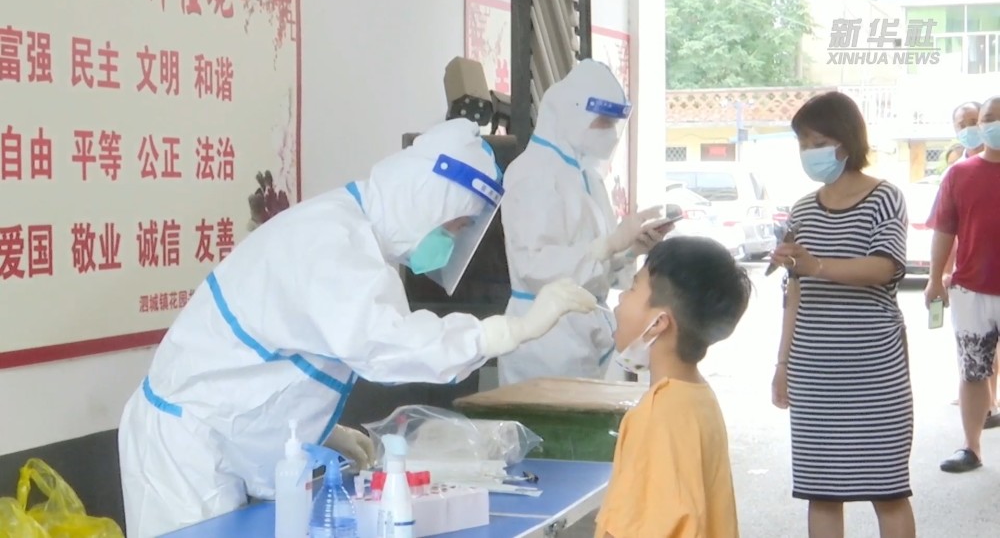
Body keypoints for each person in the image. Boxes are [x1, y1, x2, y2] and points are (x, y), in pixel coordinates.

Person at [117, 119, 599, 537]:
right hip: (187, 451)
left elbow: (284, 354)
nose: (450, 244)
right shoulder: (332, 243)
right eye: (453, 227)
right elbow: (391, 347)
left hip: (226, 441)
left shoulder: (355, 239)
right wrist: (509, 331)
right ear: (426, 198)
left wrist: (322, 432)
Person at [771, 92, 915, 538]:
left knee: (888, 492)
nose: (809, 152)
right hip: (814, 372)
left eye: (818, 142)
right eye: (802, 143)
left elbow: (884, 266)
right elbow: (794, 293)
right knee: (822, 493)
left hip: (875, 370)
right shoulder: (802, 209)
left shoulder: (885, 197)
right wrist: (782, 365)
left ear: (847, 141)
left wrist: (816, 265)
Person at [499, 59, 668, 386]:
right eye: (602, 122)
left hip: (585, 330)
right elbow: (534, 266)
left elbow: (594, 262)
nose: (610, 133)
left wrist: (629, 249)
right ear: (573, 115)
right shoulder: (533, 174)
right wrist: (608, 245)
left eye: (614, 123)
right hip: (545, 338)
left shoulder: (586, 176)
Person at [595, 237, 750, 537]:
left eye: (632, 288)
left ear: (658, 324)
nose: (620, 299)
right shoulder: (699, 397)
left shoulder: (655, 418)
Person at [925, 96, 1000, 473]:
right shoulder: (959, 174)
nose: (992, 124)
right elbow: (944, 229)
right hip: (971, 290)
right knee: (973, 371)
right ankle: (971, 448)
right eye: (989, 117)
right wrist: (934, 278)